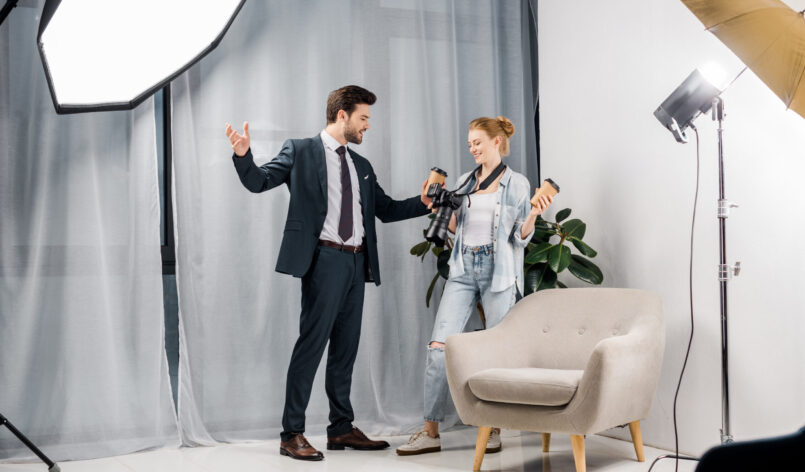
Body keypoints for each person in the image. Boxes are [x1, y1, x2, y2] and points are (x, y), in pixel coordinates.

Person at [225, 85, 432, 461]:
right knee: (312, 345)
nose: (367, 126)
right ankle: (292, 433)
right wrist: (243, 156)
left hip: (357, 262)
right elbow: (259, 181)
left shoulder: (362, 167)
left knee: (345, 349)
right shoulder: (300, 150)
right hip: (323, 260)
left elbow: (385, 209)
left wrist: (424, 203)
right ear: (342, 115)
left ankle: (340, 429)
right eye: (364, 117)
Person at [396, 116, 552, 456]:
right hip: (463, 267)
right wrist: (440, 205)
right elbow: (454, 225)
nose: (472, 148)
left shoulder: (519, 185)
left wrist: (535, 215)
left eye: (477, 142)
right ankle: (430, 431)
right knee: (439, 346)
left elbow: (520, 239)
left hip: (499, 271)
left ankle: (493, 428)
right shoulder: (466, 180)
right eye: (469, 143)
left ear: (497, 142)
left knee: (495, 350)